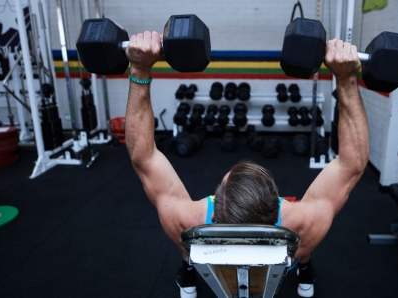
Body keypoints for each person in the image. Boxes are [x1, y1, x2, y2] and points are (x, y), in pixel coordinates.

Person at [125, 31, 369, 298]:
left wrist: (140, 67)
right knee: (304, 238)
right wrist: (346, 78)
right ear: (277, 204)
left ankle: (189, 272)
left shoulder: (187, 219)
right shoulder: (301, 223)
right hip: (290, 242)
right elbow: (352, 163)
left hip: (205, 245)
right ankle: (305, 270)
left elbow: (143, 156)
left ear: (215, 209)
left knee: (189, 243)